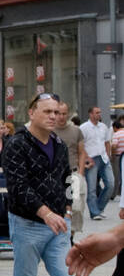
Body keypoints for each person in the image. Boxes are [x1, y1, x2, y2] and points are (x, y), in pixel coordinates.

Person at [2, 92, 87, 276]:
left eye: (57, 112)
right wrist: (45, 213)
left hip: (57, 226)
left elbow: (65, 177)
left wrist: (67, 206)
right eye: (47, 111)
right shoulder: (16, 144)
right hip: (27, 224)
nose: (53, 116)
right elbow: (18, 187)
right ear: (32, 113)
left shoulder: (59, 144)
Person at [53, 100, 88, 239]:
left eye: (64, 113)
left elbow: (81, 152)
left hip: (73, 174)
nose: (61, 117)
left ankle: (71, 236)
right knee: (59, 207)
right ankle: (60, 236)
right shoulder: (49, 131)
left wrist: (80, 173)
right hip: (55, 175)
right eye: (59, 113)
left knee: (77, 207)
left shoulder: (76, 130)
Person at [81, 105, 114, 219]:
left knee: (110, 184)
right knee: (92, 188)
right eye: (96, 112)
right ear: (90, 114)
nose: (99, 114)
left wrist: (108, 155)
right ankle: (94, 212)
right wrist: (86, 158)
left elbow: (107, 142)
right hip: (91, 159)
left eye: (100, 112)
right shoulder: (84, 128)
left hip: (104, 158)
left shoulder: (104, 127)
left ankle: (98, 208)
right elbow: (80, 145)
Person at [111, 116, 124, 202]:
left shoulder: (116, 134)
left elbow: (114, 145)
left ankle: (113, 194)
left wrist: (113, 154)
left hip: (118, 157)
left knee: (116, 176)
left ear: (115, 127)